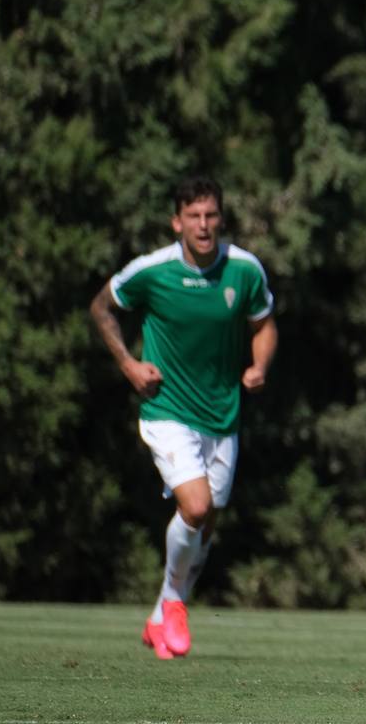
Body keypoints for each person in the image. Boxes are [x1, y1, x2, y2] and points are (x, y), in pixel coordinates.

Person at [90, 176, 277, 660]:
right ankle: (173, 603)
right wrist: (129, 365)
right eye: (193, 216)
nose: (203, 224)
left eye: (211, 215)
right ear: (177, 222)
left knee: (207, 521)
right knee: (193, 508)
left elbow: (264, 324)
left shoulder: (244, 270)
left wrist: (259, 366)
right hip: (167, 410)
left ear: (221, 218)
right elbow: (101, 307)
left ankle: (160, 616)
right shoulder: (152, 271)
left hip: (222, 415)